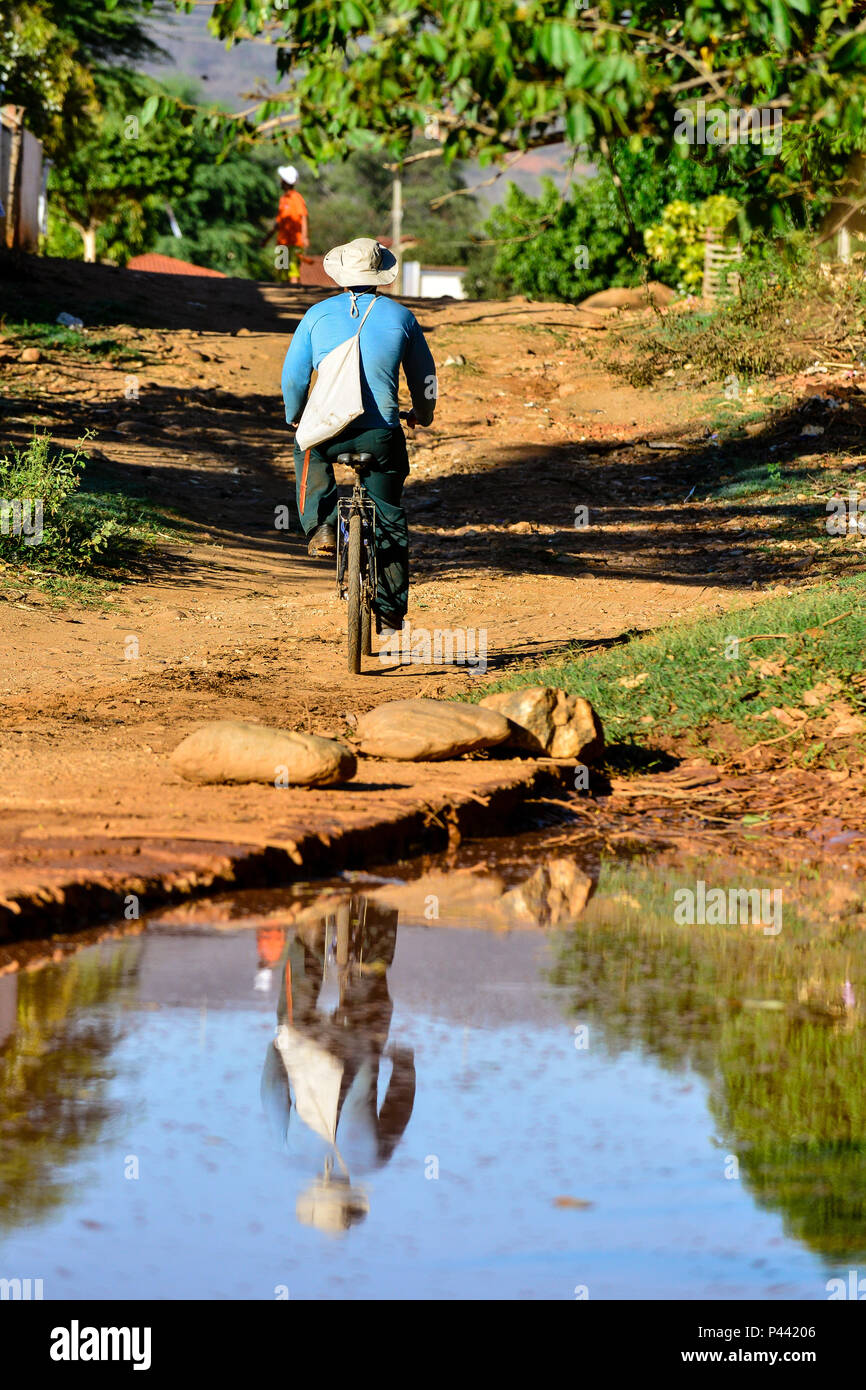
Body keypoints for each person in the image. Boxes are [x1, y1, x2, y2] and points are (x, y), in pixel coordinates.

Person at [281, 236, 436, 636]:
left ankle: (323, 526)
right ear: (381, 276)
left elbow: (294, 377)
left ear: (341, 276)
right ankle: (387, 611)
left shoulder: (316, 316)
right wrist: (423, 415)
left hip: (328, 433)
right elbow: (425, 379)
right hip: (382, 435)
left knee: (307, 449)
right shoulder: (402, 318)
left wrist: (296, 416)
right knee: (388, 513)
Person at [263, 164, 308, 285]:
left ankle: (294, 297)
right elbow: (278, 222)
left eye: (282, 180)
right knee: (281, 270)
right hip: (282, 242)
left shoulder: (296, 198)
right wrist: (267, 238)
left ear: (287, 182)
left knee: (293, 270)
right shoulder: (283, 199)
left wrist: (304, 237)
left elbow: (303, 217)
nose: (281, 182)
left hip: (295, 242)